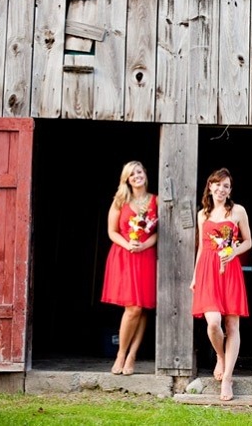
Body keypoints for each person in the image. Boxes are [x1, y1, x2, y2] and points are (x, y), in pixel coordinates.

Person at [190, 167, 252, 401]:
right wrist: (195, 276)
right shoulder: (202, 214)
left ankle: (227, 379)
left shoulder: (238, 211)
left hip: (230, 270)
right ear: (210, 186)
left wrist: (234, 251)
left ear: (230, 190)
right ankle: (221, 356)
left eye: (226, 186)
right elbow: (200, 249)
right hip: (207, 271)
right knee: (214, 323)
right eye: (217, 184)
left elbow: (248, 241)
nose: (221, 189)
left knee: (232, 325)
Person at [101, 161, 158, 376]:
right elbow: (112, 231)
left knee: (142, 308)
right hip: (124, 256)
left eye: (139, 172)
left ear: (145, 174)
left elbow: (161, 231)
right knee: (132, 307)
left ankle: (132, 355)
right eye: (132, 174)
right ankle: (121, 354)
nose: (136, 176)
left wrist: (145, 244)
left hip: (146, 255)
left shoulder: (155, 201)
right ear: (126, 179)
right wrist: (129, 244)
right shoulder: (120, 202)